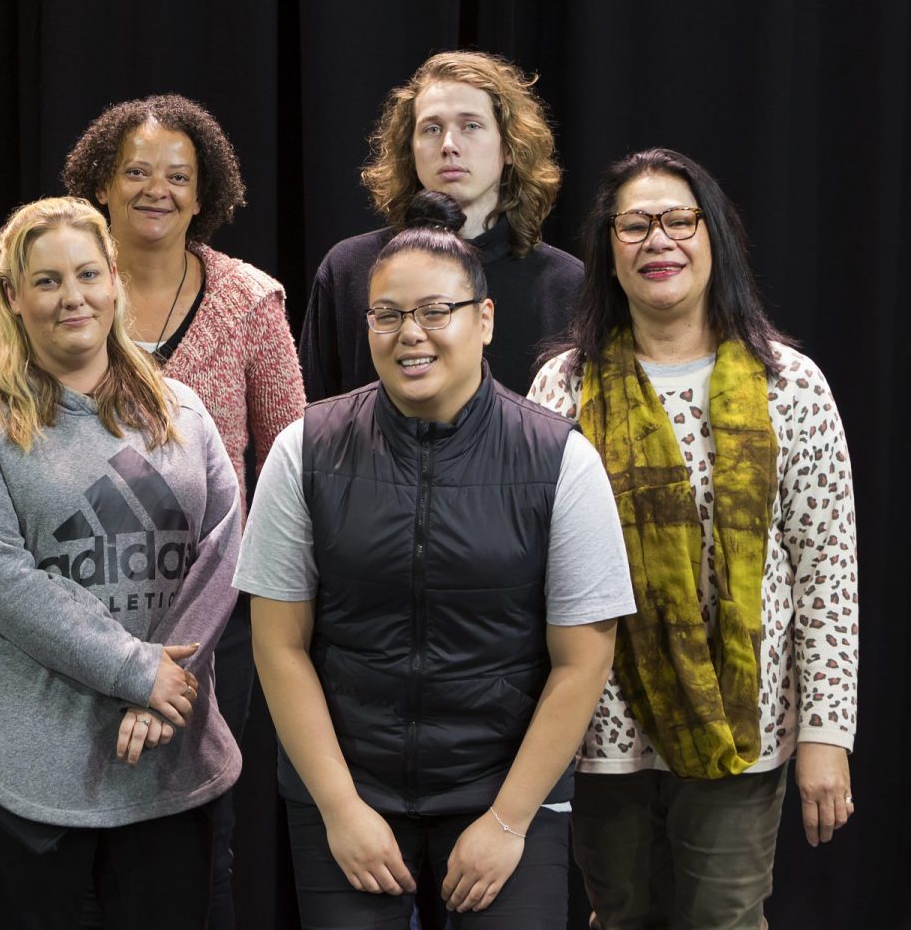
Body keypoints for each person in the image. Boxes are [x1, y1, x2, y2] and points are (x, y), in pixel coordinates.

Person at [241, 191, 636, 927]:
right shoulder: (306, 450)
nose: (409, 334)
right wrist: (341, 808)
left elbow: (584, 660)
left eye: (434, 311)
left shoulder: (561, 460)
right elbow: (280, 644)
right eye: (387, 315)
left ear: (484, 320)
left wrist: (509, 822)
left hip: (505, 791)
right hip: (346, 790)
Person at [528, 148, 858, 929]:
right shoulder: (562, 388)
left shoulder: (790, 385)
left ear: (716, 237)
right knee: (622, 918)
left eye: (680, 220)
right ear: (609, 248)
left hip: (743, 724)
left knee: (723, 919)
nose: (659, 240)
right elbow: (534, 569)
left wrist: (827, 733)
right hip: (601, 725)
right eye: (634, 225)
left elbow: (827, 570)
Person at [0, 196, 243, 929]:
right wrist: (135, 669)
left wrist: (165, 685)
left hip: (166, 751)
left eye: (89, 274)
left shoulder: (181, 409)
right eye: (48, 280)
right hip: (20, 767)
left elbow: (226, 547)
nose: (74, 297)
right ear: (12, 296)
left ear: (115, 281)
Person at [62, 95, 304, 926]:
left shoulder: (249, 301)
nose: (155, 190)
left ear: (205, 195)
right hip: (77, 599)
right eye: (135, 171)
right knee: (70, 820)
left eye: (177, 176)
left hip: (213, 611)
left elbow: (290, 458)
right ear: (102, 184)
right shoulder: (64, 284)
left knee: (197, 823)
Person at [301, 50, 582, 400]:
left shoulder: (565, 286)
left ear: (509, 147)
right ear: (411, 149)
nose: (449, 145)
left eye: (471, 126)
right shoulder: (349, 269)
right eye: (432, 129)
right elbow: (313, 414)